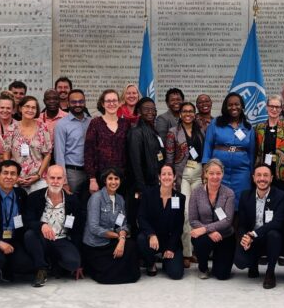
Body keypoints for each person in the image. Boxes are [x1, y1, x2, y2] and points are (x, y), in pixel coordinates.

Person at [23, 165, 84, 286]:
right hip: (41, 239)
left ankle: (53, 262)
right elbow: (27, 220)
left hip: (61, 239)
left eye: (59, 178)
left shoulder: (73, 200)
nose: (55, 182)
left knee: (73, 263)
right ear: (46, 178)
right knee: (29, 235)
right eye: (52, 178)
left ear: (64, 180)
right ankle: (41, 269)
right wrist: (42, 225)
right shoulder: (34, 197)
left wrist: (81, 263)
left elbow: (78, 230)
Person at [82, 168, 140, 284]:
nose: (113, 182)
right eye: (110, 179)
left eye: (116, 179)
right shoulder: (96, 198)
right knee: (105, 276)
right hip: (96, 245)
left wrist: (122, 239)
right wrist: (118, 237)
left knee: (132, 246)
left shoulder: (120, 199)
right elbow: (94, 228)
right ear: (104, 180)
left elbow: (122, 224)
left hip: (110, 241)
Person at [234, 164, 284, 289]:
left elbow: (277, 223)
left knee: (274, 234)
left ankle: (270, 273)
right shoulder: (245, 195)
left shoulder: (281, 196)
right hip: (252, 238)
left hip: (270, 237)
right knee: (240, 262)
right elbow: (242, 224)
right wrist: (244, 238)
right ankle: (253, 264)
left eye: (266, 175)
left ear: (272, 178)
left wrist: (254, 234)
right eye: (258, 175)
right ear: (253, 178)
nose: (262, 179)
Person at [165, 102, 204, 267]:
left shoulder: (200, 131)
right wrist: (171, 177)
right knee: (187, 213)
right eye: (184, 111)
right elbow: (169, 157)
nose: (188, 114)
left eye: (191, 111)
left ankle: (197, 250)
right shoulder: (173, 132)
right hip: (183, 175)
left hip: (199, 173)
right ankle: (187, 252)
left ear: (194, 114)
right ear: (180, 114)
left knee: (199, 212)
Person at [202, 92, 255, 208]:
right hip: (219, 172)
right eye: (230, 105)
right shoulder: (215, 123)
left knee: (240, 204)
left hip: (242, 173)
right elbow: (208, 145)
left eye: (237, 104)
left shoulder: (248, 127)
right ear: (225, 107)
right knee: (219, 203)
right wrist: (205, 169)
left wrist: (252, 173)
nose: (234, 107)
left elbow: (251, 152)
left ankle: (237, 226)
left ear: (242, 106)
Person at [188, 159, 236, 280]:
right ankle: (203, 267)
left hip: (224, 235)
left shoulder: (229, 193)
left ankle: (218, 261)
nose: (215, 177)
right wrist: (209, 232)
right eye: (211, 173)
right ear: (205, 174)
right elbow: (193, 220)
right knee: (199, 240)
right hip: (205, 237)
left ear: (223, 174)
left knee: (222, 275)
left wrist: (206, 229)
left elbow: (228, 220)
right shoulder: (196, 192)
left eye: (218, 173)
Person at [137, 165, 185, 279]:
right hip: (153, 239)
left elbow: (179, 225)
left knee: (176, 274)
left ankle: (166, 261)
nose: (166, 177)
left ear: (174, 177)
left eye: (169, 174)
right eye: (163, 174)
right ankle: (150, 263)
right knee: (141, 239)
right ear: (159, 177)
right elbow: (141, 217)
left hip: (170, 240)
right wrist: (151, 234)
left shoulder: (180, 198)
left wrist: (171, 247)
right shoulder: (148, 194)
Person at [127, 97, 166, 228]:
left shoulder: (154, 131)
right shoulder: (135, 132)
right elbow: (135, 163)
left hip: (154, 184)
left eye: (153, 109)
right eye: (146, 109)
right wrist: (141, 187)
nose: (150, 112)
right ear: (139, 111)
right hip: (144, 186)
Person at [3, 96, 52, 193]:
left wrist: (38, 176)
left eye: (33, 108)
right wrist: (13, 175)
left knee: (37, 207)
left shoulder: (43, 128)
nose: (30, 110)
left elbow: (47, 155)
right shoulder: (11, 129)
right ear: (21, 108)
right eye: (27, 106)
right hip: (16, 179)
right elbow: (6, 154)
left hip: (38, 179)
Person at [84, 89, 129, 194]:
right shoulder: (95, 123)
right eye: (108, 101)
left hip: (121, 178)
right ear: (103, 104)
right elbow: (89, 152)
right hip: (101, 177)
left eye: (114, 100)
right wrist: (92, 179)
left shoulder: (125, 124)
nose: (112, 104)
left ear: (119, 103)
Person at [254, 95, 284, 192]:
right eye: (271, 106)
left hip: (282, 174)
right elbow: (256, 151)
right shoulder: (259, 128)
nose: (274, 109)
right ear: (266, 107)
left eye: (277, 107)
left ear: (281, 108)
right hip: (263, 174)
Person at [54, 89, 91, 195]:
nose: (78, 104)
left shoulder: (91, 122)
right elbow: (59, 154)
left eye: (81, 101)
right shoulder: (62, 124)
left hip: (90, 173)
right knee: (72, 203)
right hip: (72, 173)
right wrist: (63, 180)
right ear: (68, 103)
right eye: (74, 102)